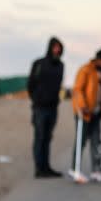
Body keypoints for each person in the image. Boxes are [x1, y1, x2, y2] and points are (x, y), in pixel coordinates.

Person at [69, 49, 101, 184]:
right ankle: (75, 170)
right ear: (99, 59)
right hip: (84, 112)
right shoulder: (85, 70)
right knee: (81, 141)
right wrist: (82, 106)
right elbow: (77, 89)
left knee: (96, 141)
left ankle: (96, 170)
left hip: (97, 112)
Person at [27, 37, 64, 178]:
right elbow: (30, 84)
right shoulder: (39, 64)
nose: (57, 50)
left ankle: (46, 167)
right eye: (55, 47)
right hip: (40, 108)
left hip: (53, 107)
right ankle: (39, 168)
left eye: (59, 47)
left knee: (48, 138)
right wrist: (37, 100)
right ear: (50, 48)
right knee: (40, 137)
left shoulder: (61, 65)